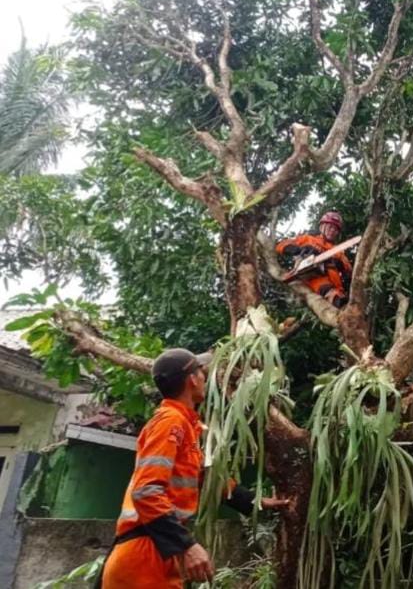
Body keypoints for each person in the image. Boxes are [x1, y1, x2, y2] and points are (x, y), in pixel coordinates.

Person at [99, 348, 289, 588]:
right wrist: (186, 545)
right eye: (201, 372)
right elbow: (146, 491)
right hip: (145, 553)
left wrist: (255, 501)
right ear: (192, 379)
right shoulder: (170, 422)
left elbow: (206, 480)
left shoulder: (187, 426)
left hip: (157, 550)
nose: (204, 378)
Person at [276, 210, 353, 307]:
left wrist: (341, 267)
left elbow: (349, 271)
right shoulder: (308, 239)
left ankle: (339, 300)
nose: (332, 231)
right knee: (329, 292)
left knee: (342, 299)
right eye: (330, 227)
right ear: (322, 226)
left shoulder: (338, 252)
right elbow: (281, 245)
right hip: (312, 278)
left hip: (336, 285)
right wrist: (298, 249)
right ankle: (335, 299)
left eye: (335, 229)